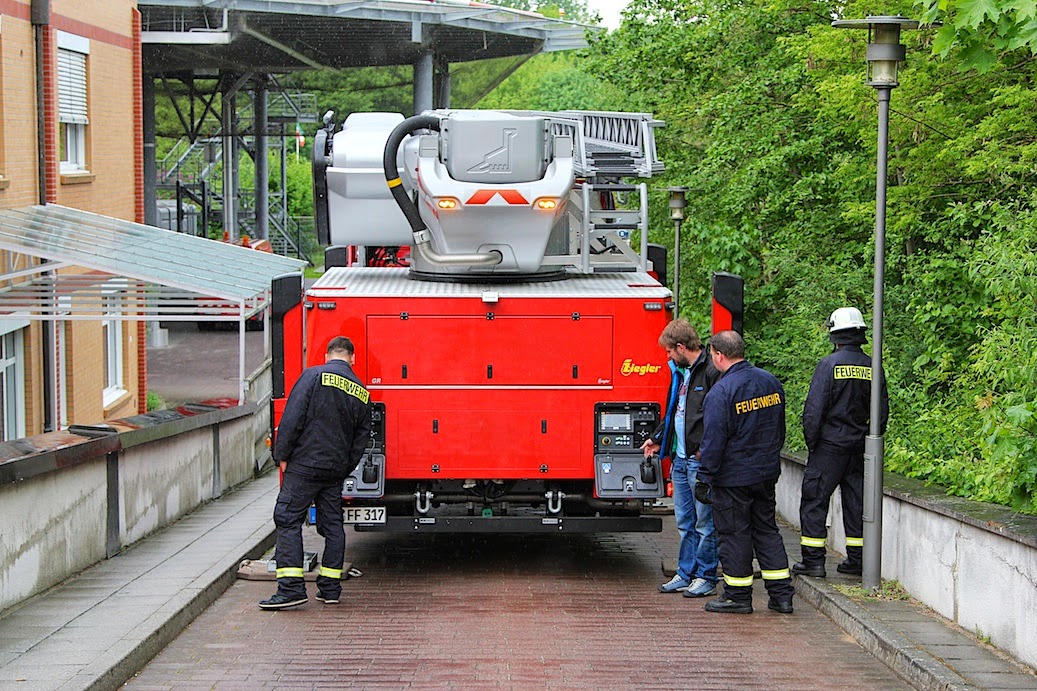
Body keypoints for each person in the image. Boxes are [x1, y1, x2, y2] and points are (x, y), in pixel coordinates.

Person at [260, 336, 373, 610]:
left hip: (305, 464)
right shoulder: (362, 392)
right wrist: (343, 468)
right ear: (352, 358)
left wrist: (281, 454)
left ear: (326, 355)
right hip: (334, 469)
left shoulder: (313, 376)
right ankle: (330, 589)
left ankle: (290, 589)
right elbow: (361, 441)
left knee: (287, 518)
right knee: (333, 526)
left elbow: (292, 417)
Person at [694, 330, 794, 614]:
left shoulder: (721, 392)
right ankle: (782, 596)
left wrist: (705, 477)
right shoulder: (771, 383)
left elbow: (713, 441)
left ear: (718, 355)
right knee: (767, 531)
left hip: (733, 478)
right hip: (764, 473)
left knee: (735, 534)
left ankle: (737, 596)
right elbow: (779, 429)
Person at [793, 307, 889, 578]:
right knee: (857, 504)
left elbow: (814, 410)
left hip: (829, 447)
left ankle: (813, 561)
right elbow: (881, 411)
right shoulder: (873, 366)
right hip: (859, 448)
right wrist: (869, 441)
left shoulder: (828, 365)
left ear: (835, 335)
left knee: (814, 501)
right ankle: (857, 560)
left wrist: (814, 445)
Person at [641, 319, 720, 599]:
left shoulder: (710, 372)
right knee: (686, 522)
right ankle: (686, 573)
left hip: (697, 461)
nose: (667, 357)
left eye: (669, 352)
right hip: (682, 459)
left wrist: (705, 452)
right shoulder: (682, 373)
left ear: (681, 347)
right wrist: (659, 437)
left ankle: (706, 575)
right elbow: (675, 411)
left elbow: (715, 418)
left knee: (704, 522)